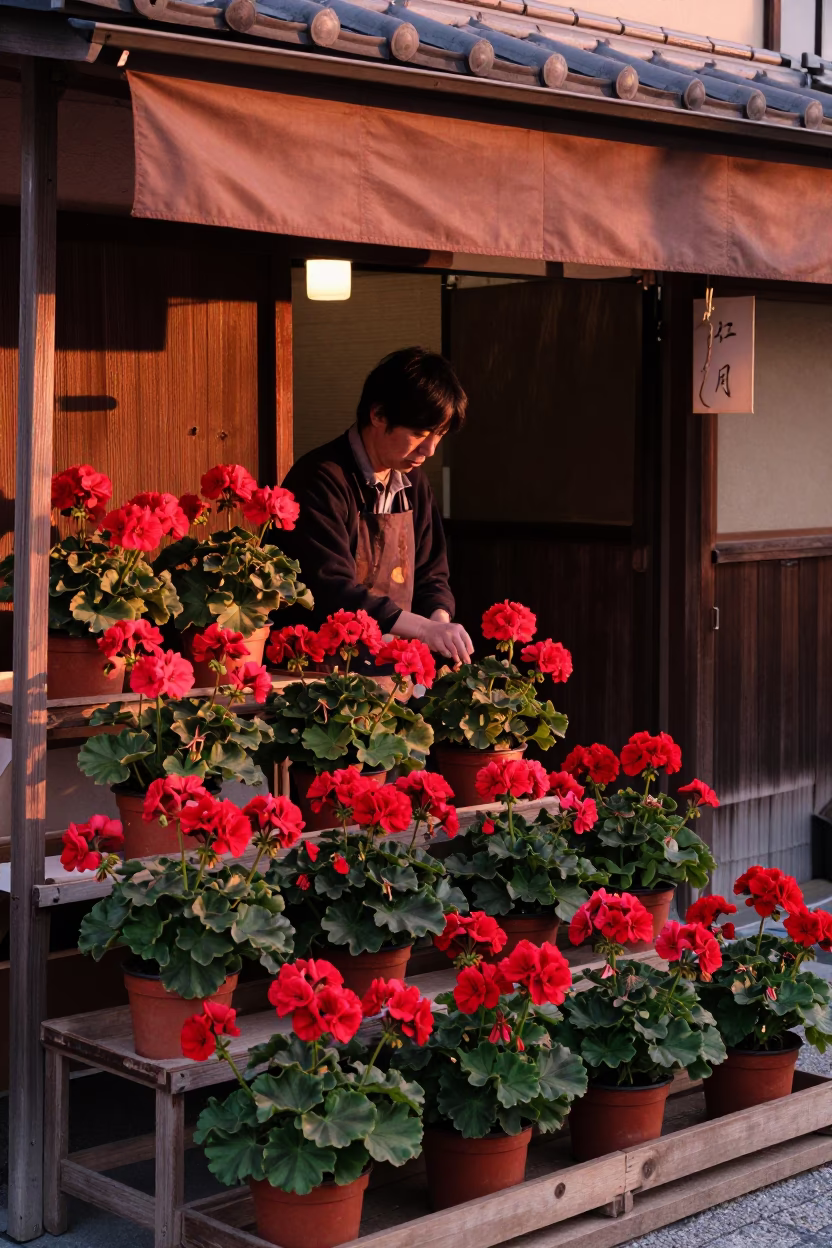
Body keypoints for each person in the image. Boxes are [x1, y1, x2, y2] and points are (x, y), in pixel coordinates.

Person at [280, 346, 473, 665]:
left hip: (395, 664)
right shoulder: (321, 478)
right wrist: (423, 629)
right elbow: (331, 590)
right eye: (419, 433)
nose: (429, 449)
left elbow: (432, 574)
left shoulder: (415, 482)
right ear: (378, 415)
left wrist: (439, 623)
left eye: (438, 435)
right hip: (323, 670)